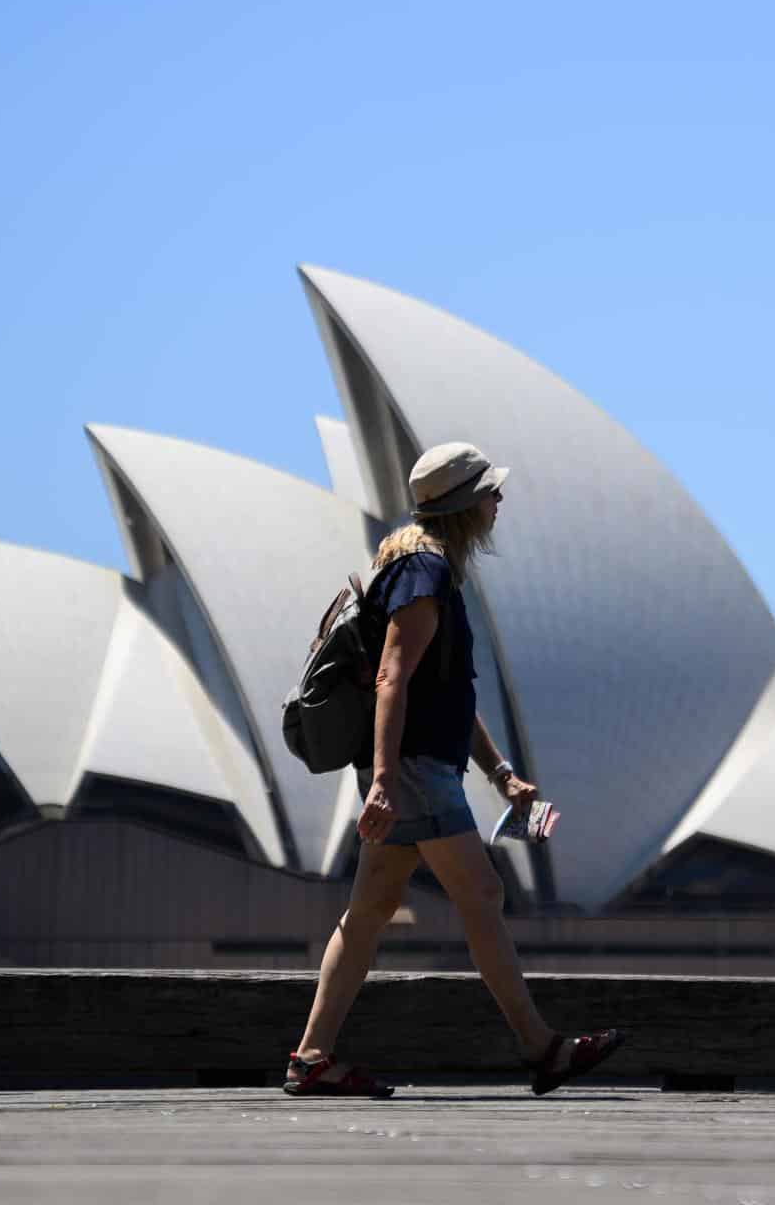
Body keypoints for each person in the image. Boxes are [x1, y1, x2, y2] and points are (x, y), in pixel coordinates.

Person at [285, 441, 626, 1098]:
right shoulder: (423, 572)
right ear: (467, 504)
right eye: (490, 491)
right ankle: (542, 1049)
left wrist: (499, 773)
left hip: (415, 767)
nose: (500, 500)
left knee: (371, 911)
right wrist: (384, 779)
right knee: (483, 896)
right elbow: (392, 677)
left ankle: (311, 1058)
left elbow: (445, 693)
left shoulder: (424, 568)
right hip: (414, 772)